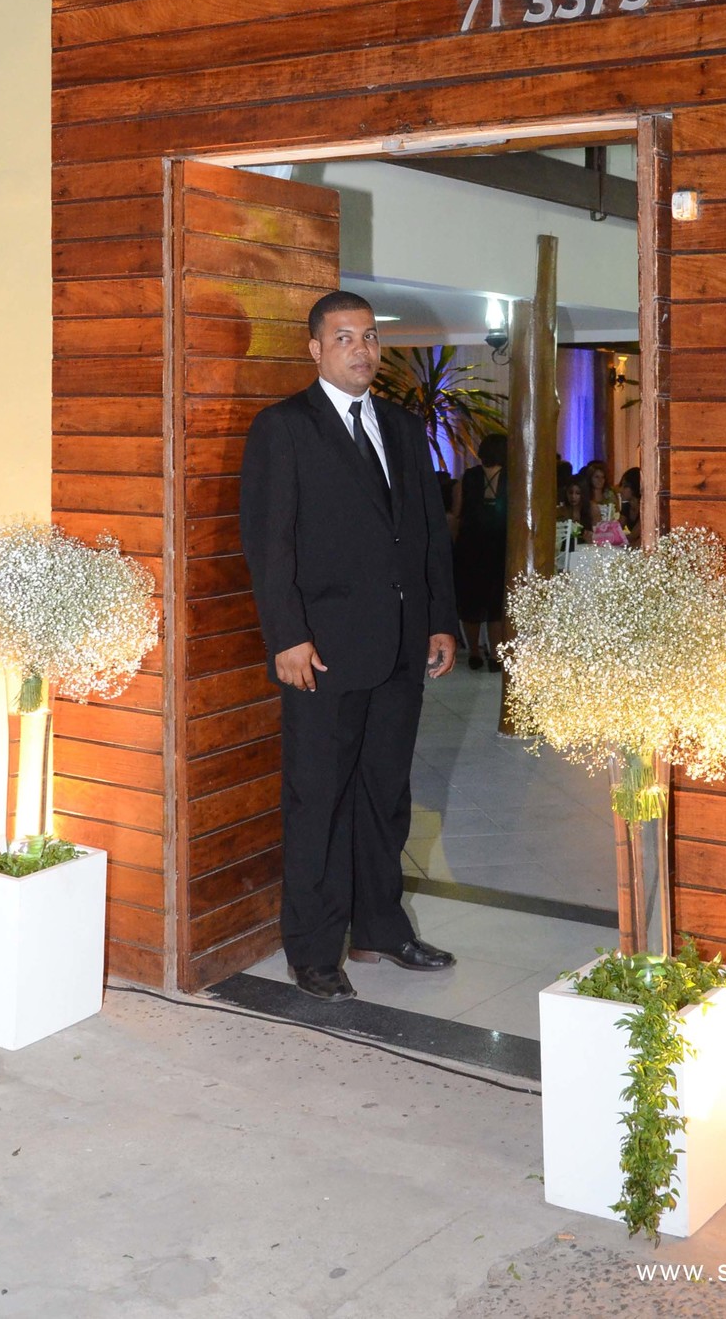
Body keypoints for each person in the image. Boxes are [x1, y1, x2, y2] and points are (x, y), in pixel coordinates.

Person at [239, 291, 458, 1002]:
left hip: (400, 649)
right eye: (344, 338)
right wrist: (287, 637)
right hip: (322, 655)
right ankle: (312, 950)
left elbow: (425, 534)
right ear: (315, 349)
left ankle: (379, 929)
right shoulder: (284, 428)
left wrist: (439, 620)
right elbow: (269, 544)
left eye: (368, 337)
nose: (361, 350)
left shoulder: (402, 426)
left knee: (385, 796)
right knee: (320, 802)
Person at [451, 432, 508, 671]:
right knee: (496, 605)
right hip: (500, 545)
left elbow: (457, 513)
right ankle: (495, 655)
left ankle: (474, 652)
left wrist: (454, 543)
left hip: (470, 545)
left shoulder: (468, 477)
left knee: (471, 603)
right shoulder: (511, 478)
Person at [619, 467, 643, 547]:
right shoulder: (627, 505)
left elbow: (633, 536)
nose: (620, 490)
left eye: (625, 486)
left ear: (635, 487)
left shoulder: (644, 508)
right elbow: (618, 528)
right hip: (632, 545)